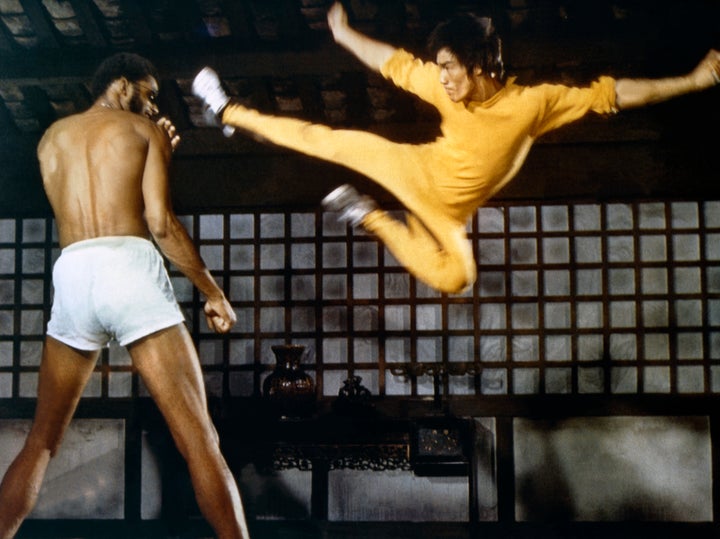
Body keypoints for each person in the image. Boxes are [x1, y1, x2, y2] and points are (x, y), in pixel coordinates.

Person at [193, 2, 720, 294]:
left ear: (479, 65)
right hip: (414, 170)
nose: (442, 78)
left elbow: (615, 94)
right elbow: (394, 65)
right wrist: (345, 34)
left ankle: (368, 216)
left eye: (450, 67)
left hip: (449, 214)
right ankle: (226, 111)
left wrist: (692, 83)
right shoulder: (443, 89)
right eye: (440, 66)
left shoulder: (534, 103)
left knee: (458, 277)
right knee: (325, 140)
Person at [0, 53, 250, 539]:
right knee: (200, 439)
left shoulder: (50, 139)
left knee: (42, 442)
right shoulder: (145, 132)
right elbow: (160, 224)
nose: (152, 106)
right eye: (148, 94)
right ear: (121, 84)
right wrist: (213, 292)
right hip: (127, 265)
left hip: (72, 271)